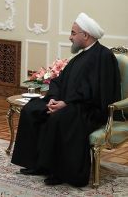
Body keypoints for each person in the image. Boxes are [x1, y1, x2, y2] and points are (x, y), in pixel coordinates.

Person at [11, 12, 121, 187]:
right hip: (68, 102)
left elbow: (98, 92)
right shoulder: (80, 57)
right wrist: (54, 99)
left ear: (85, 35)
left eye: (73, 33)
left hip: (89, 109)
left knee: (60, 118)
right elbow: (58, 81)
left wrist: (67, 103)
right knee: (33, 109)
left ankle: (60, 171)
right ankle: (37, 164)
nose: (70, 37)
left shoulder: (104, 56)